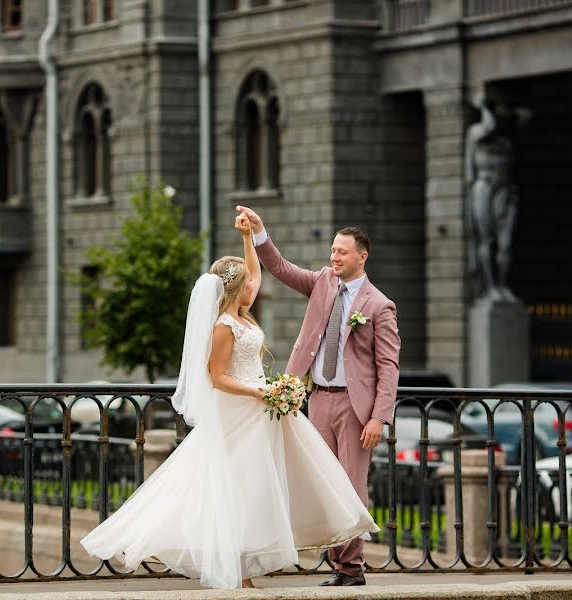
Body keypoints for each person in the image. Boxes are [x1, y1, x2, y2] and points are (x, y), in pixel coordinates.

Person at [80, 214, 379, 590]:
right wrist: (262, 391)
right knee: (235, 488)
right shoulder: (225, 326)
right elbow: (217, 377)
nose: (255, 286)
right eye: (248, 283)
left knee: (259, 488)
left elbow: (255, 271)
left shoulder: (242, 313)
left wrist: (248, 237)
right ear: (237, 290)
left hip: (264, 411)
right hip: (244, 410)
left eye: (342, 250)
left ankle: (314, 563)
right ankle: (245, 570)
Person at [237, 206, 400, 587]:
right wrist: (259, 232)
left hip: (356, 409)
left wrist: (380, 417)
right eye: (332, 250)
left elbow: (389, 367)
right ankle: (335, 560)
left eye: (342, 252)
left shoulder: (379, 305)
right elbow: (278, 266)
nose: (334, 257)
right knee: (320, 482)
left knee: (352, 487)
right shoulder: (323, 282)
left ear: (362, 256)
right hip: (315, 400)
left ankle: (350, 569)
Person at [464, 93, 530, 301]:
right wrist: (483, 105)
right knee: (487, 238)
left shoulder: (508, 134)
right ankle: (490, 287)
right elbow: (489, 127)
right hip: (484, 186)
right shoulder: (477, 131)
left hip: (505, 188)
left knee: (506, 242)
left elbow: (526, 117)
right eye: (499, 107)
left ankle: (502, 285)